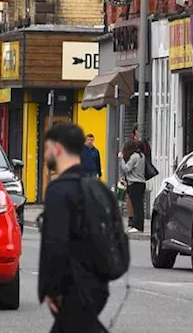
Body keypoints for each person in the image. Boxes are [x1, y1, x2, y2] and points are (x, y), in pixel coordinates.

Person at [38, 122, 109, 332]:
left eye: (47, 149)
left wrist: (52, 289)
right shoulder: (96, 189)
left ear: (57, 148)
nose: (45, 155)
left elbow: (56, 243)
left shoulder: (59, 191)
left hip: (72, 288)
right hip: (97, 285)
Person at [119, 140, 147, 232]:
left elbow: (126, 168)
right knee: (139, 205)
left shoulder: (134, 157)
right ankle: (139, 225)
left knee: (136, 205)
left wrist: (121, 159)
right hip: (141, 182)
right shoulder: (141, 155)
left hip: (134, 183)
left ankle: (137, 226)